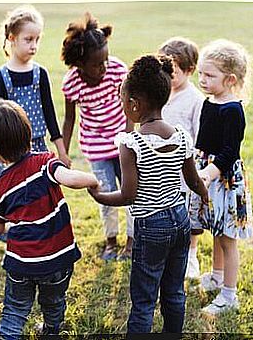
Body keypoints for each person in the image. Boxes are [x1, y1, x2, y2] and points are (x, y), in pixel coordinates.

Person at [88, 55, 208, 333]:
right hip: (180, 221)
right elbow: (193, 180)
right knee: (174, 290)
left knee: (143, 299)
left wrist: (100, 196)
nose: (121, 106)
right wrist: (205, 194)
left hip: (151, 226)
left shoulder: (132, 143)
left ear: (134, 104)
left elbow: (128, 195)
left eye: (122, 101)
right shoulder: (180, 135)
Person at [0, 99, 99, 338]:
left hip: (21, 262)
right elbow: (71, 179)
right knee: (54, 300)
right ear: (29, 135)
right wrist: (93, 180)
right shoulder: (45, 163)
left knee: (15, 309)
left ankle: (9, 335)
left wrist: (4, 229)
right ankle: (51, 330)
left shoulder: (0, 187)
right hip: (57, 258)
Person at [61, 12, 134, 261]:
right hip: (96, 149)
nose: (104, 67)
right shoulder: (72, 84)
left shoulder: (117, 70)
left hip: (123, 144)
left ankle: (132, 242)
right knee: (105, 194)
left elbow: (130, 105)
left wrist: (128, 134)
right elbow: (70, 118)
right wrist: (63, 150)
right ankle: (111, 241)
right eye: (97, 64)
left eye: (105, 60)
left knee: (131, 191)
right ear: (80, 64)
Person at [190, 39, 253, 315]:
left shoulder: (233, 110)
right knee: (215, 231)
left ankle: (229, 295)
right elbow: (201, 142)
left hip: (224, 179)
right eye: (201, 74)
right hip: (207, 171)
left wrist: (209, 173)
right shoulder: (209, 102)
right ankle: (216, 277)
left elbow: (230, 151)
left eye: (209, 75)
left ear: (229, 80)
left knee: (227, 237)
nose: (202, 80)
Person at [0, 4, 70, 178]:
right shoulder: (0, 77)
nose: (34, 45)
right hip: (10, 150)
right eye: (28, 39)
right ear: (12, 38)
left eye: (37, 39)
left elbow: (49, 113)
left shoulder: (40, 74)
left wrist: (61, 151)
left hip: (38, 147)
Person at [158, 37, 205, 279]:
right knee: (166, 210)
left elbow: (200, 137)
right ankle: (167, 251)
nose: (170, 73)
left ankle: (191, 255)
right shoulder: (162, 92)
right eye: (166, 67)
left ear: (189, 70)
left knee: (189, 215)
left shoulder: (195, 100)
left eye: (175, 69)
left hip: (185, 168)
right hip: (161, 167)